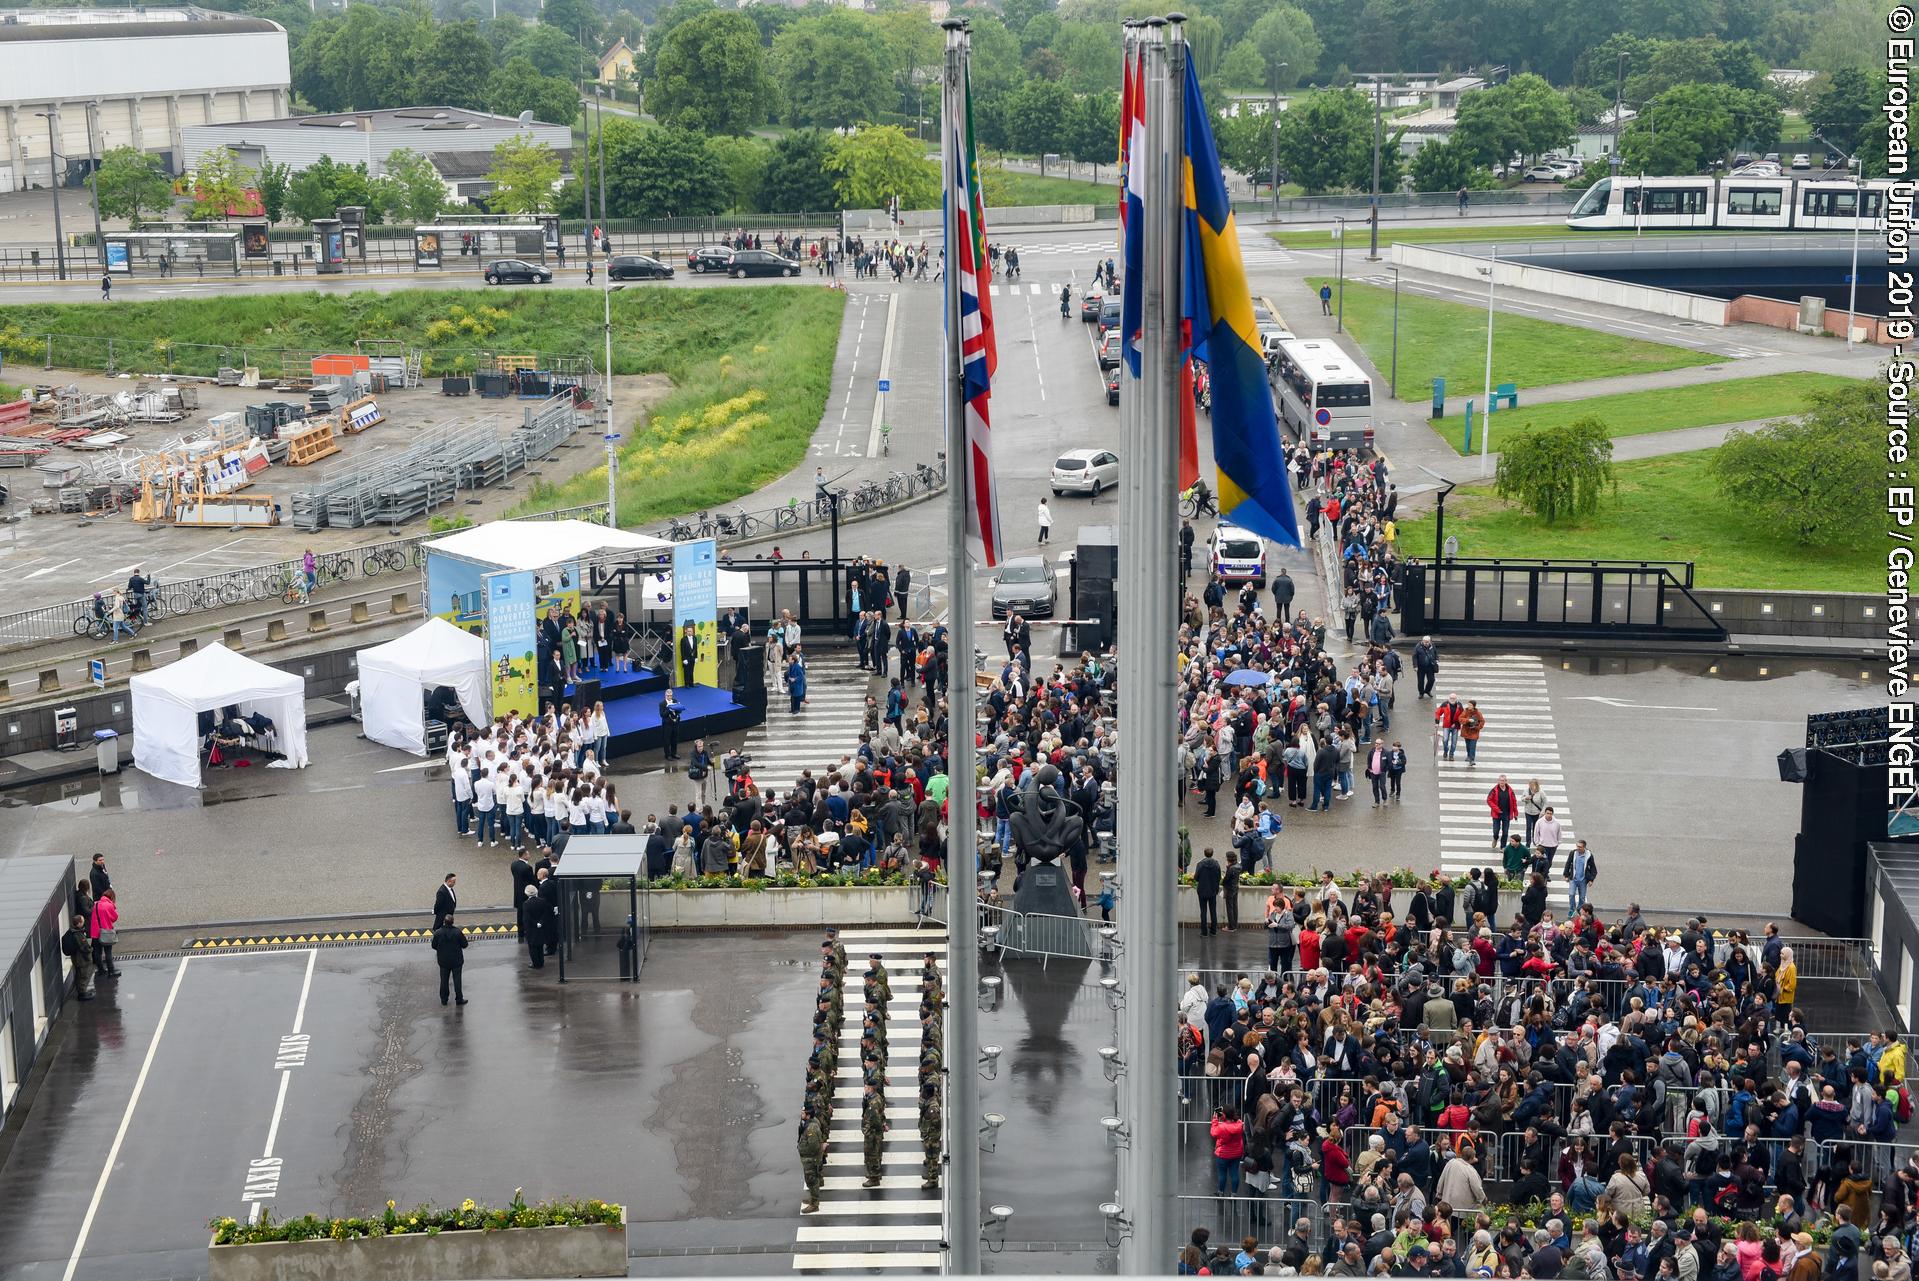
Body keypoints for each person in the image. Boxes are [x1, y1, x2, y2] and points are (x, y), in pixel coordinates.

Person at [432, 912, 468, 1006]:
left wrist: (441, 950)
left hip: (443, 961)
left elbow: (434, 945)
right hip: (456, 960)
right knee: (457, 980)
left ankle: (444, 999)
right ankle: (459, 999)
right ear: (453, 922)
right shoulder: (457, 932)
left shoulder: (438, 932)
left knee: (444, 980)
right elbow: (465, 945)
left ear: (444, 922)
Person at [62, 912, 96, 1000]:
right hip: (81, 959)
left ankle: (81, 991)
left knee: (79, 974)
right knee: (83, 975)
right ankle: (82, 994)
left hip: (76, 958)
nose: (84, 922)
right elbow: (84, 947)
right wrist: (91, 949)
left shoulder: (72, 931)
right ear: (79, 923)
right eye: (82, 921)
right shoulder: (78, 935)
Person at [90, 887, 120, 978]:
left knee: (97, 953)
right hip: (105, 932)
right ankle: (111, 971)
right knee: (108, 952)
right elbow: (114, 917)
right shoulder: (109, 905)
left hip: (95, 932)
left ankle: (101, 970)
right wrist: (113, 906)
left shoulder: (96, 904)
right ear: (112, 897)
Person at [1194, 846, 1222, 936]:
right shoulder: (1216, 864)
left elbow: (1196, 878)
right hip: (1213, 890)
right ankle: (1213, 931)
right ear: (1212, 854)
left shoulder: (1200, 864)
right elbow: (1219, 877)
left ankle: (1204, 932)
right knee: (1213, 911)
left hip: (1202, 890)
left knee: (1203, 911)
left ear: (1204, 853)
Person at [660, 686, 683, 760]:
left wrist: (678, 707)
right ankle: (667, 755)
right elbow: (662, 715)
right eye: (668, 695)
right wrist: (669, 709)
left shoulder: (675, 701)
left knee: (674, 738)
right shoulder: (662, 704)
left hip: (675, 723)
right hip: (667, 724)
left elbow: (679, 711)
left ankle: (674, 753)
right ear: (665, 695)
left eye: (670, 695)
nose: (669, 697)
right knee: (667, 740)